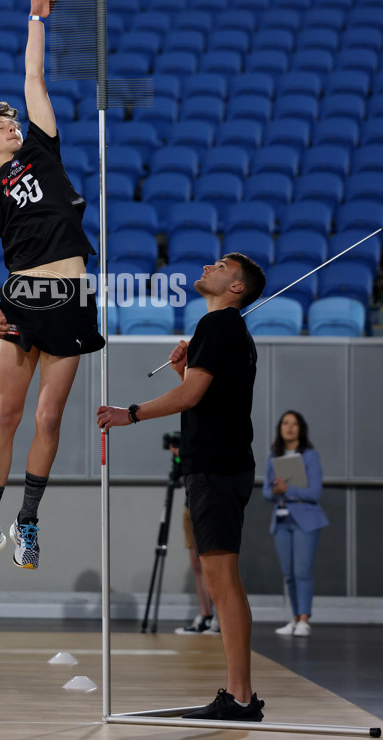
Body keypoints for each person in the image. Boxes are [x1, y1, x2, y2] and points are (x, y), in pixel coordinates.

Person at [0, 0, 105, 572]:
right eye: (0, 126)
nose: (11, 124)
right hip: (21, 299)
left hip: (71, 295)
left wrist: (36, 21)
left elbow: (34, 80)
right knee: (9, 416)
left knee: (50, 418)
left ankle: (29, 521)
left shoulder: (43, 149)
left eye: (12, 122)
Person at [97, 253, 267, 722]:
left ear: (237, 287)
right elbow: (207, 395)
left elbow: (191, 398)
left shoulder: (219, 326)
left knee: (222, 581)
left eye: (220, 266)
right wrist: (183, 372)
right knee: (223, 580)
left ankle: (240, 697)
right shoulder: (229, 331)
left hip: (214, 466)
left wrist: (126, 413)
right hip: (223, 464)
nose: (210, 267)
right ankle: (241, 695)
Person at [262, 411, 329, 637]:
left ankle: (304, 619)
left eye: (294, 424)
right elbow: (266, 492)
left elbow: (314, 491)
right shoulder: (274, 456)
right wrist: (275, 490)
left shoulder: (310, 455)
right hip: (281, 519)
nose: (289, 427)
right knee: (289, 573)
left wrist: (288, 489)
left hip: (305, 518)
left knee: (302, 571)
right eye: (285, 423)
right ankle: (294, 617)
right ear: (280, 428)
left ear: (301, 428)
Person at [169, 443, 220, 636]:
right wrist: (180, 458)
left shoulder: (210, 433)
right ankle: (205, 615)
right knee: (197, 563)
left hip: (211, 498)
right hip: (191, 501)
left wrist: (184, 452)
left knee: (214, 562)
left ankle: (220, 618)